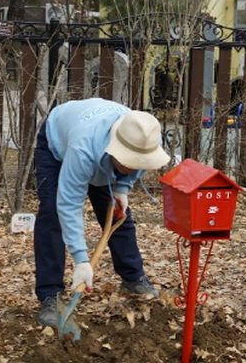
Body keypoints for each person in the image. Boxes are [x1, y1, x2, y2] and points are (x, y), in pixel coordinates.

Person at [34, 98, 170, 326]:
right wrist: (81, 260)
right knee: (52, 214)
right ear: (114, 147)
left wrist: (122, 188)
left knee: (117, 214)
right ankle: (50, 294)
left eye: (137, 162)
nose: (131, 166)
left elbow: (134, 166)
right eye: (127, 160)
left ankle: (133, 276)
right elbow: (69, 204)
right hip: (57, 143)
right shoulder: (83, 150)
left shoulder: (142, 133)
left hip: (100, 152)